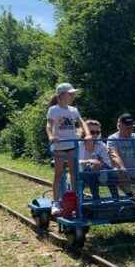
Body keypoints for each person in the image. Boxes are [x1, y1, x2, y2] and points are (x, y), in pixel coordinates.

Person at [46, 82, 92, 215]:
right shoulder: (54, 110)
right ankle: (55, 203)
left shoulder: (73, 110)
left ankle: (75, 200)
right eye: (70, 93)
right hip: (59, 146)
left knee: (74, 174)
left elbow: (81, 122)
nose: (73, 95)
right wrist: (51, 136)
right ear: (61, 95)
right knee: (59, 174)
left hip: (72, 145)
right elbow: (49, 125)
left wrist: (87, 134)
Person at [78, 119, 119, 200]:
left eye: (97, 132)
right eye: (92, 132)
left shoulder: (101, 145)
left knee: (110, 172)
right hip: (82, 172)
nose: (95, 135)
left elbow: (108, 163)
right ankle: (96, 198)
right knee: (89, 171)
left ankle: (116, 199)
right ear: (84, 132)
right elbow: (75, 161)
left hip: (100, 172)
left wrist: (100, 164)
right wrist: (89, 161)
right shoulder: (78, 145)